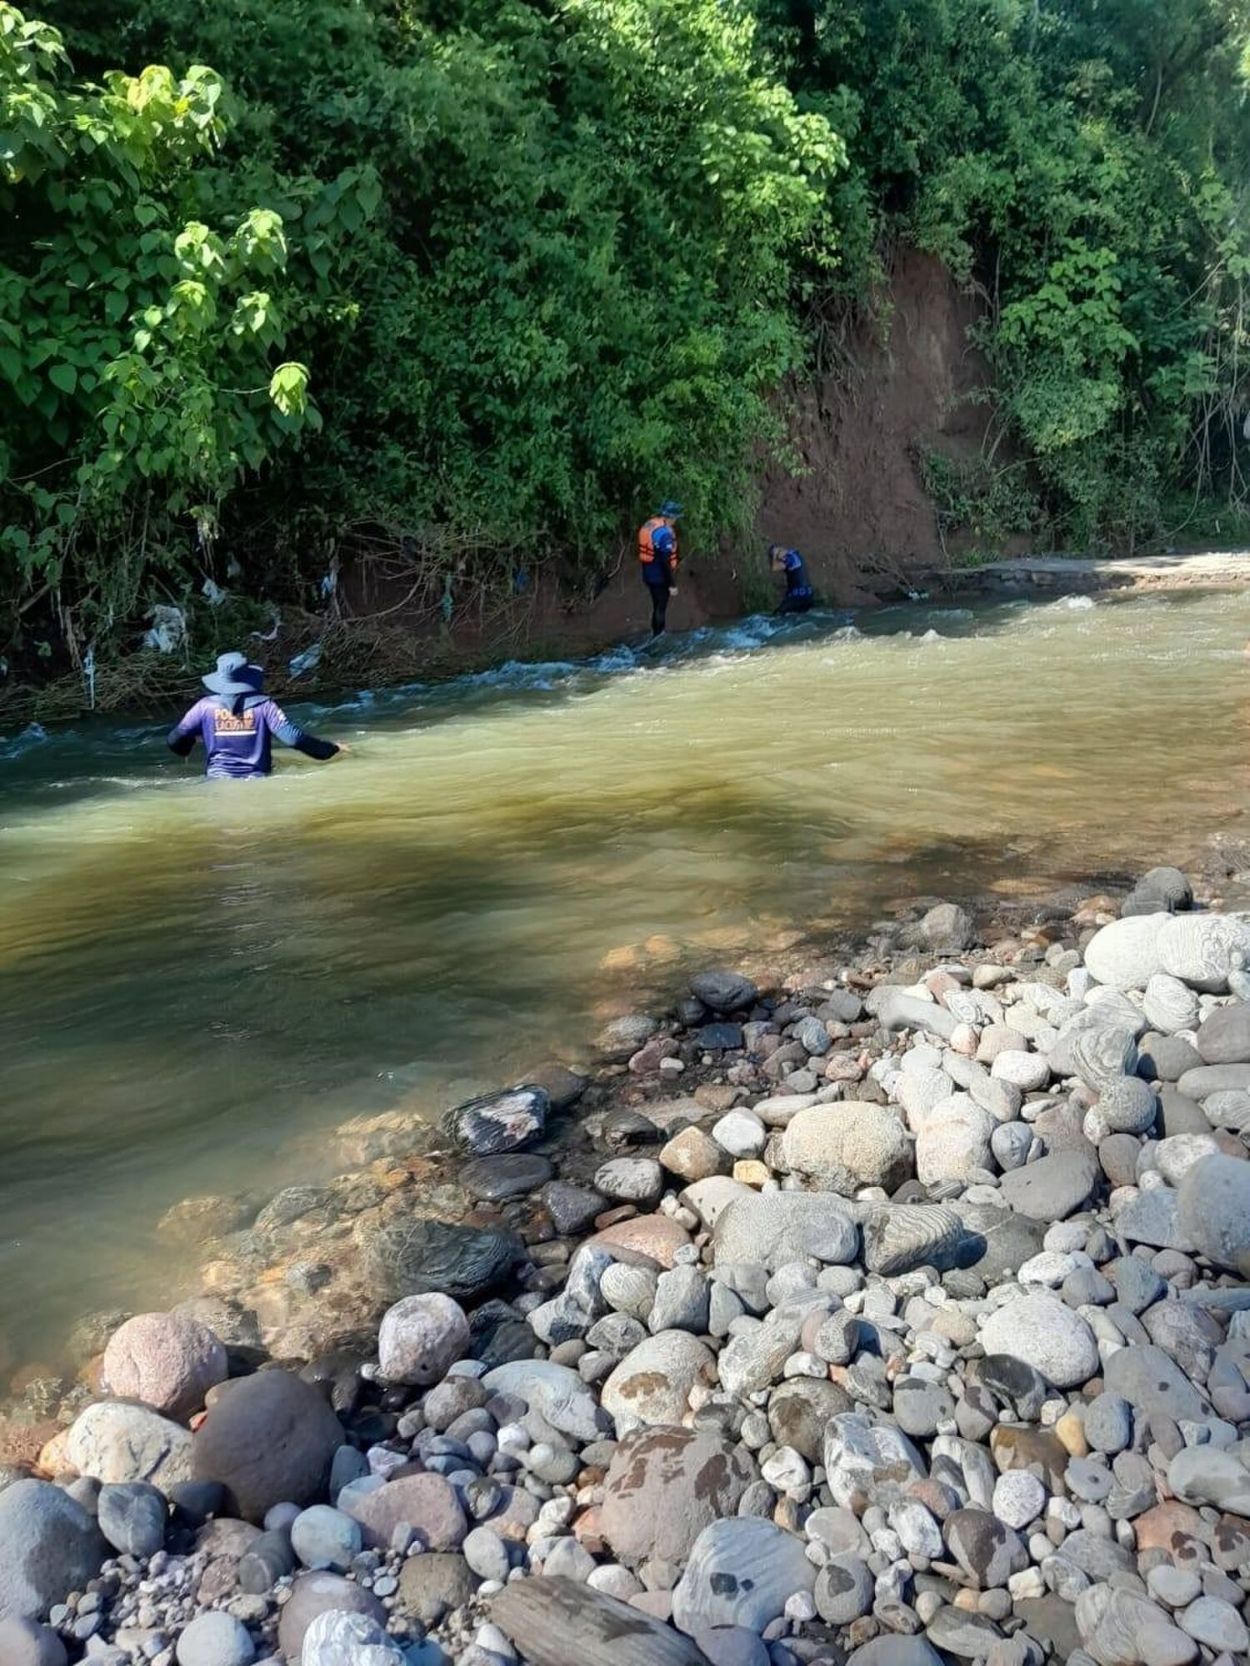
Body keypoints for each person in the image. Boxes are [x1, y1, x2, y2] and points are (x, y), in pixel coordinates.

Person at [167, 651, 345, 780]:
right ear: (248, 679)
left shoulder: (204, 707)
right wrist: (331, 749)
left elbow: (174, 740)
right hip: (257, 781)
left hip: (216, 783)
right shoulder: (265, 706)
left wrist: (188, 746)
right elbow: (294, 739)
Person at [638, 500, 682, 637]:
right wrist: (672, 584)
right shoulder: (665, 534)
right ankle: (659, 636)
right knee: (660, 607)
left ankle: (655, 633)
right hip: (659, 576)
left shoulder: (651, 524)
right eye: (675, 517)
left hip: (648, 573)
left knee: (656, 605)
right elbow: (665, 562)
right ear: (671, 517)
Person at [769, 543, 815, 614]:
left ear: (782, 549)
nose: (778, 557)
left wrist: (774, 555)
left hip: (797, 597)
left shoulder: (790, 558)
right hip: (807, 596)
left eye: (778, 553)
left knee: (777, 614)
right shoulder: (795, 554)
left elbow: (774, 568)